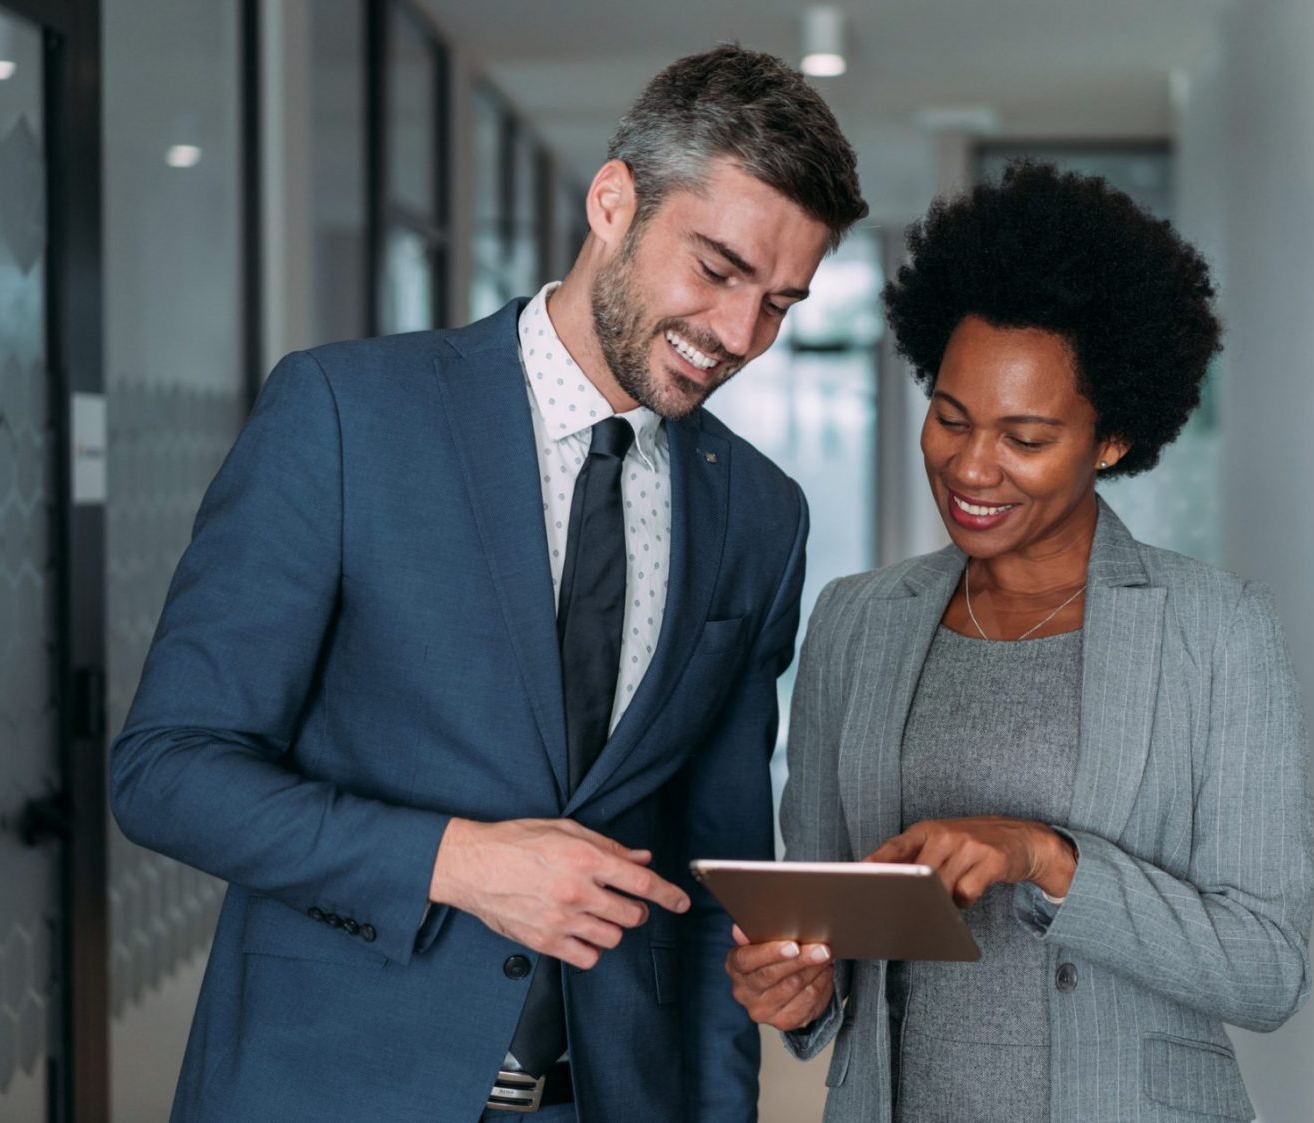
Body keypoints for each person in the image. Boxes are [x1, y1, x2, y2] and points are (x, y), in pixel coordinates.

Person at [110, 45, 866, 1122]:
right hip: (329, 1087)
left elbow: (710, 885)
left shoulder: (758, 511)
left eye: (780, 303)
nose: (740, 336)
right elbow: (166, 771)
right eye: (716, 269)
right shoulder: (345, 415)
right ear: (614, 202)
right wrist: (452, 861)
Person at [725, 162, 1313, 1122]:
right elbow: (825, 924)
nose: (971, 465)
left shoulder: (1215, 631)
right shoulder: (855, 620)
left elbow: (1266, 966)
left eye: (1026, 437)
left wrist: (1046, 858)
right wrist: (797, 987)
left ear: (1111, 439)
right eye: (949, 417)